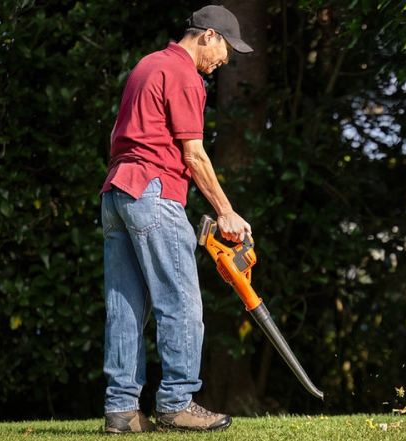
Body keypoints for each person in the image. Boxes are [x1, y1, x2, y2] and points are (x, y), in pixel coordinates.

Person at [100, 5, 254, 433]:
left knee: (125, 307)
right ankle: (175, 401)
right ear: (208, 35)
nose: (225, 60)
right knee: (181, 302)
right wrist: (226, 212)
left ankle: (122, 410)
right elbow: (194, 154)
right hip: (153, 191)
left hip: (116, 194)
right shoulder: (185, 74)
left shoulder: (147, 65)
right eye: (225, 49)